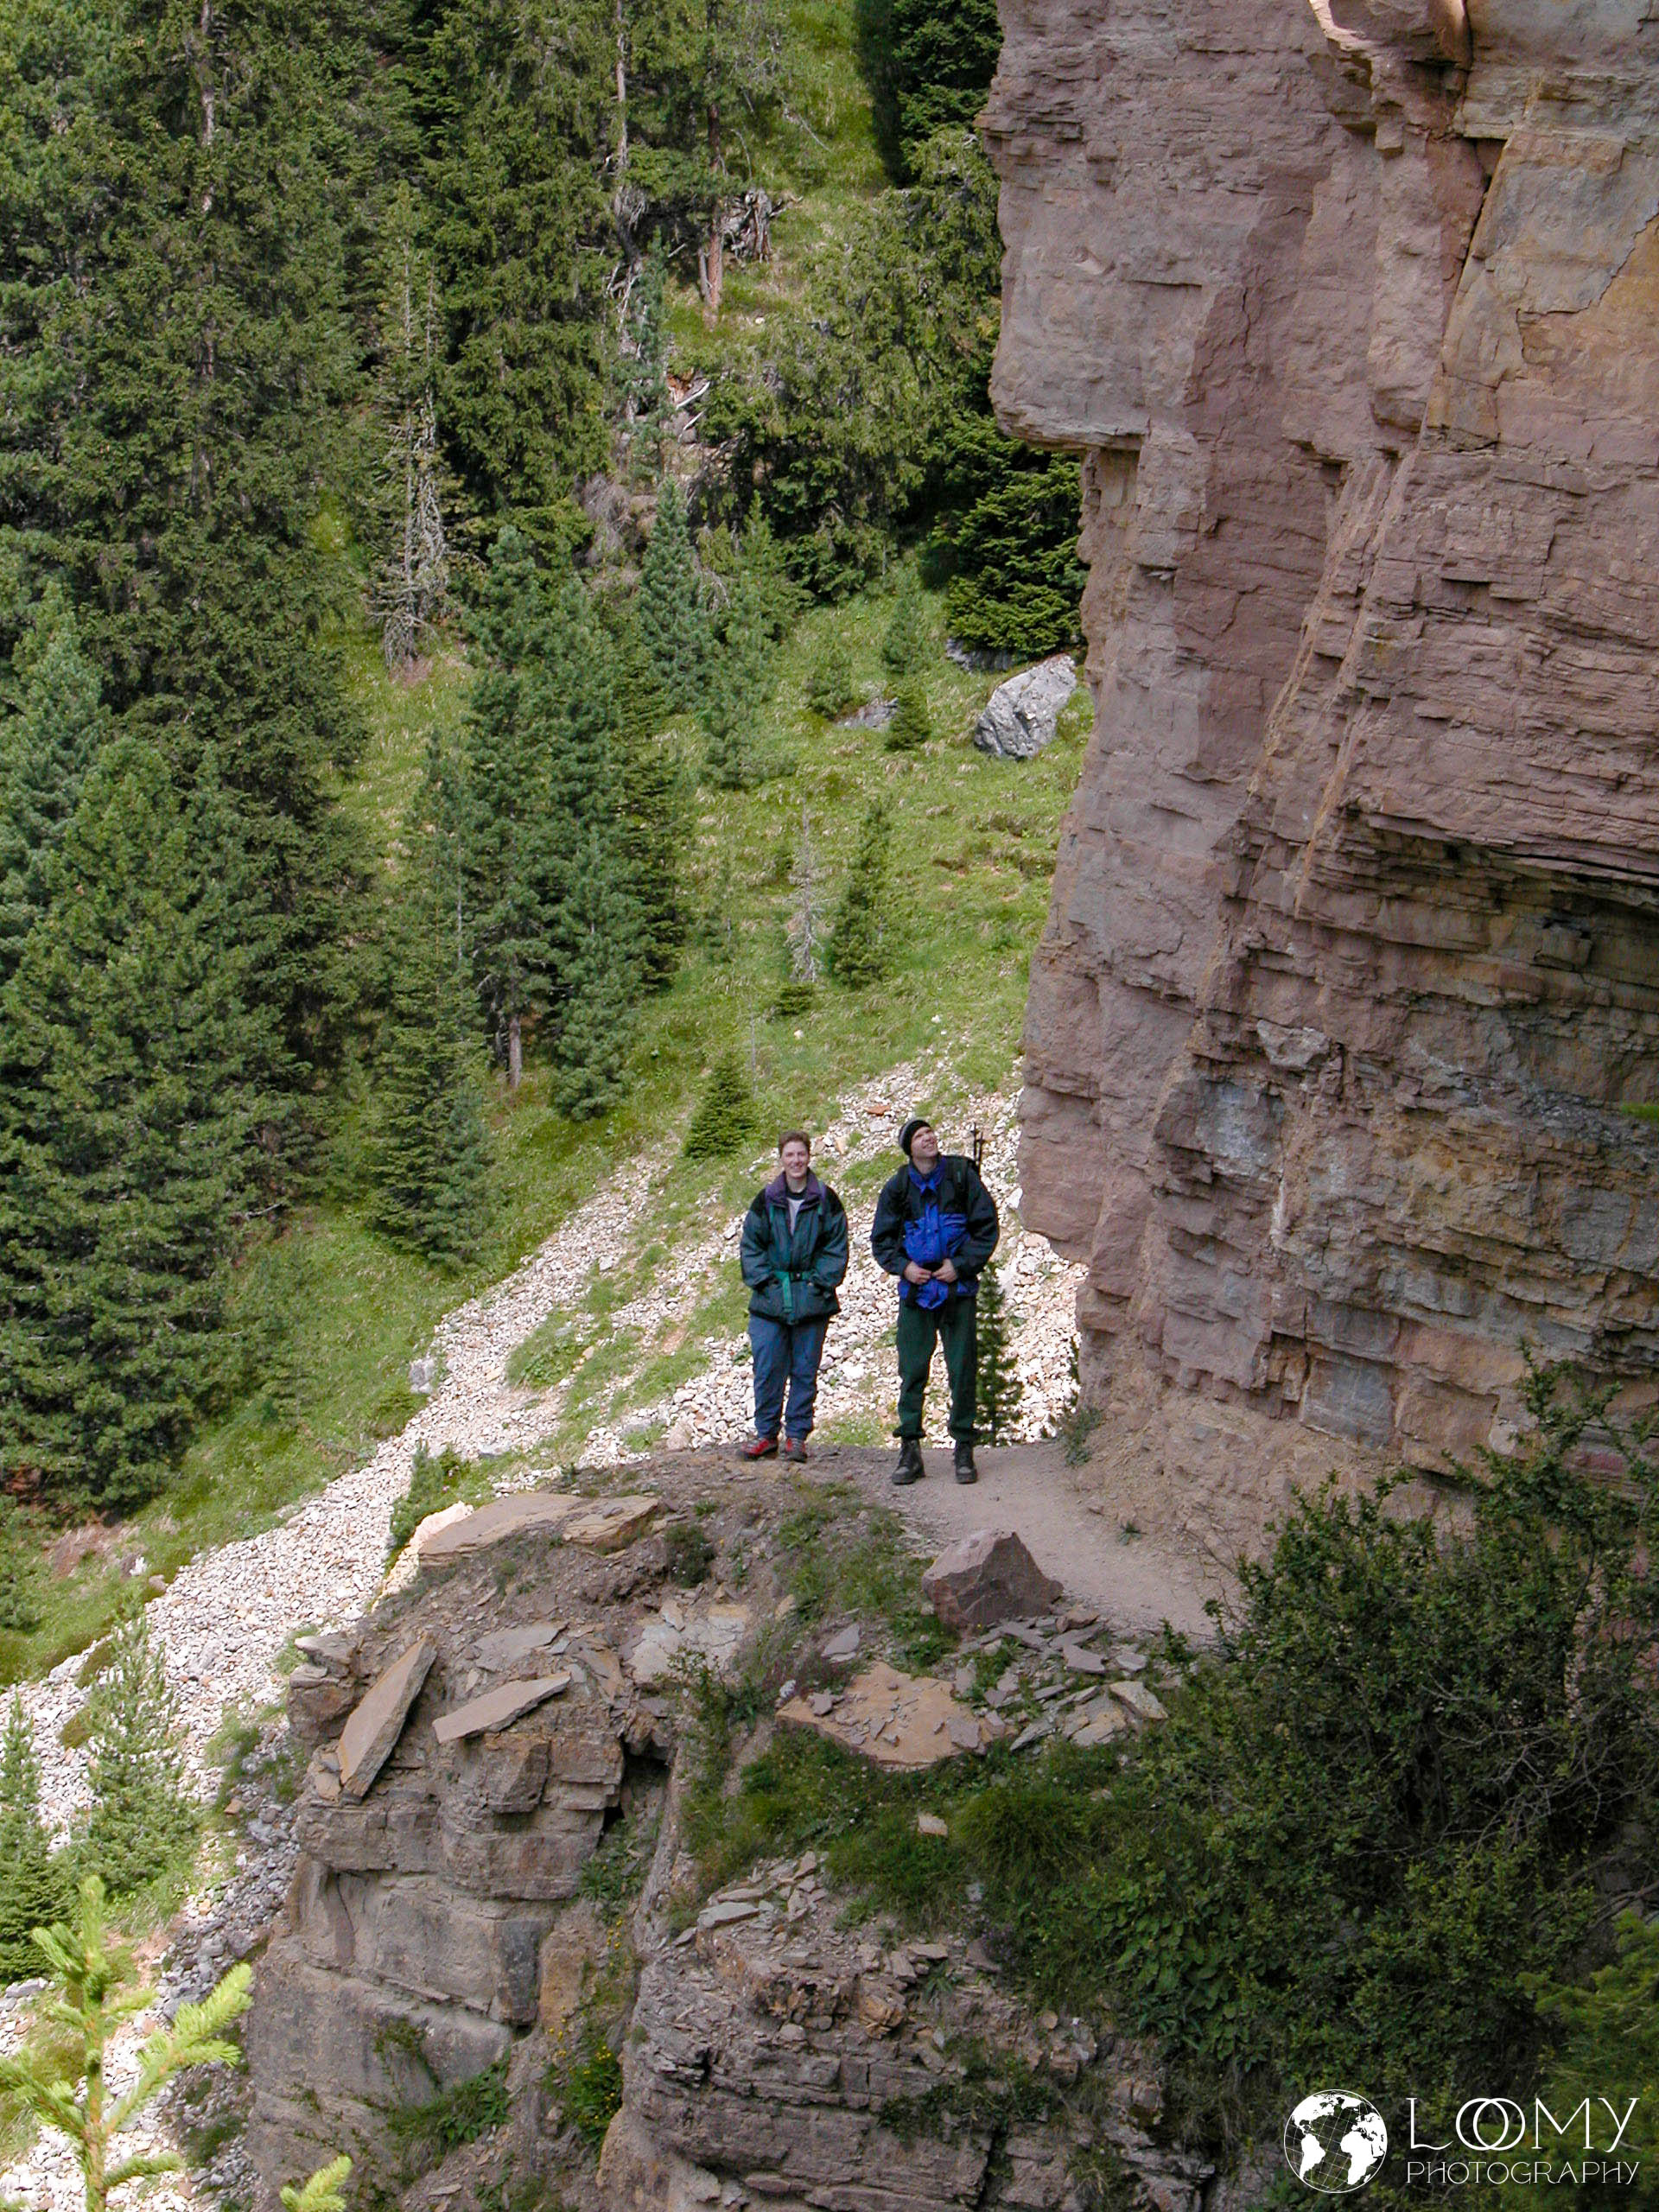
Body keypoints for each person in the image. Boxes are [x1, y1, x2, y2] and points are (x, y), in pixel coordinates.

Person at [870, 1116, 999, 1485]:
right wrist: (905, 1268)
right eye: (920, 1136)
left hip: (957, 1290)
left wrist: (959, 1266)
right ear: (909, 1148)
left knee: (962, 1368)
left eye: (931, 1133)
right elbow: (882, 1239)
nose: (929, 1138)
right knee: (911, 1370)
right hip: (917, 1290)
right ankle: (910, 1450)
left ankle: (963, 1448)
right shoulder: (897, 1188)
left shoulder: (961, 1177)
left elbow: (986, 1227)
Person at [738, 1131, 849, 1461]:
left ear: (809, 1157)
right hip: (770, 1302)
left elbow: (836, 1247)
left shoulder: (826, 1200)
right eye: (790, 1155)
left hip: (812, 1302)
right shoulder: (766, 1200)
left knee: (804, 1370)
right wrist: (766, 1283)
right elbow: (751, 1246)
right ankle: (766, 1433)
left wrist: (818, 1283)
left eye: (801, 1154)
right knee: (768, 1368)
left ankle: (797, 1436)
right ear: (781, 1159)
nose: (796, 1161)